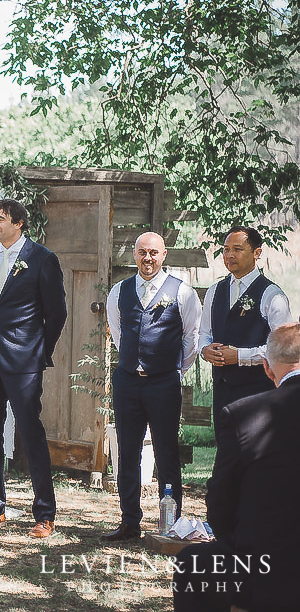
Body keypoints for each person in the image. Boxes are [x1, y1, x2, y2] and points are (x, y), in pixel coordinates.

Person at [172, 323, 300, 612]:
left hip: (266, 569)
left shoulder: (244, 416)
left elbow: (219, 502)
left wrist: (238, 546)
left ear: (267, 368)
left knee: (191, 564)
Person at [0, 198, 66, 539]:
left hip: (25, 360)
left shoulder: (42, 259)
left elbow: (57, 314)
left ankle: (44, 514)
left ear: (19, 223)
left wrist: (39, 351)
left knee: (30, 432)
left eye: (0, 219)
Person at [101, 232, 201, 541]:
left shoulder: (183, 293)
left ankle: (170, 524)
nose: (148, 258)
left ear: (164, 254)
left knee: (167, 453)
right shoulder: (119, 291)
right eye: (143, 252)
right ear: (134, 254)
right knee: (128, 453)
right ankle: (130, 521)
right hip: (128, 382)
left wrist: (170, 371)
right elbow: (118, 334)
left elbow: (191, 340)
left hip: (163, 384)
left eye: (154, 253)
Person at [199, 226, 291, 426]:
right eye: (226, 249)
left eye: (237, 249)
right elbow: (204, 333)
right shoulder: (214, 291)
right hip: (222, 392)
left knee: (257, 455)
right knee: (225, 451)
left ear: (256, 253)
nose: (229, 255)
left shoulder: (272, 295)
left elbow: (283, 350)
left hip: (259, 392)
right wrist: (204, 350)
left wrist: (240, 356)